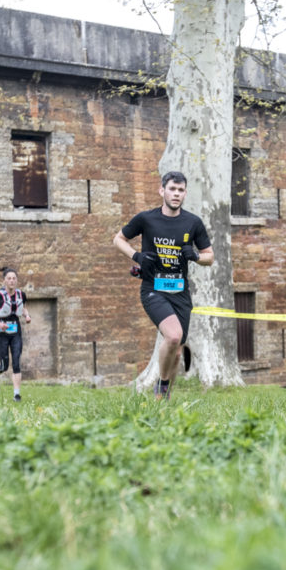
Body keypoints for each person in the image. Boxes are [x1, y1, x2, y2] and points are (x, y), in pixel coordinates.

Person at [113, 170, 214, 400]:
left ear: (185, 194)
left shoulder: (193, 222)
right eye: (172, 189)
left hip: (180, 293)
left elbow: (210, 257)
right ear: (162, 191)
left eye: (180, 190)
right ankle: (162, 387)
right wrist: (136, 256)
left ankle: (163, 399)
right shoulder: (146, 219)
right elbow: (118, 239)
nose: (176, 194)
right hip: (153, 289)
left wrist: (196, 256)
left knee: (176, 353)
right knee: (173, 336)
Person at [0, 267, 31, 402]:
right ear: (4, 280)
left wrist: (27, 316)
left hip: (16, 331)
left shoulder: (22, 294)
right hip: (2, 332)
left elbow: (24, 308)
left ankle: (16, 394)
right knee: (4, 365)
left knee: (16, 362)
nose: (12, 281)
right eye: (9, 278)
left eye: (14, 278)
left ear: (17, 280)